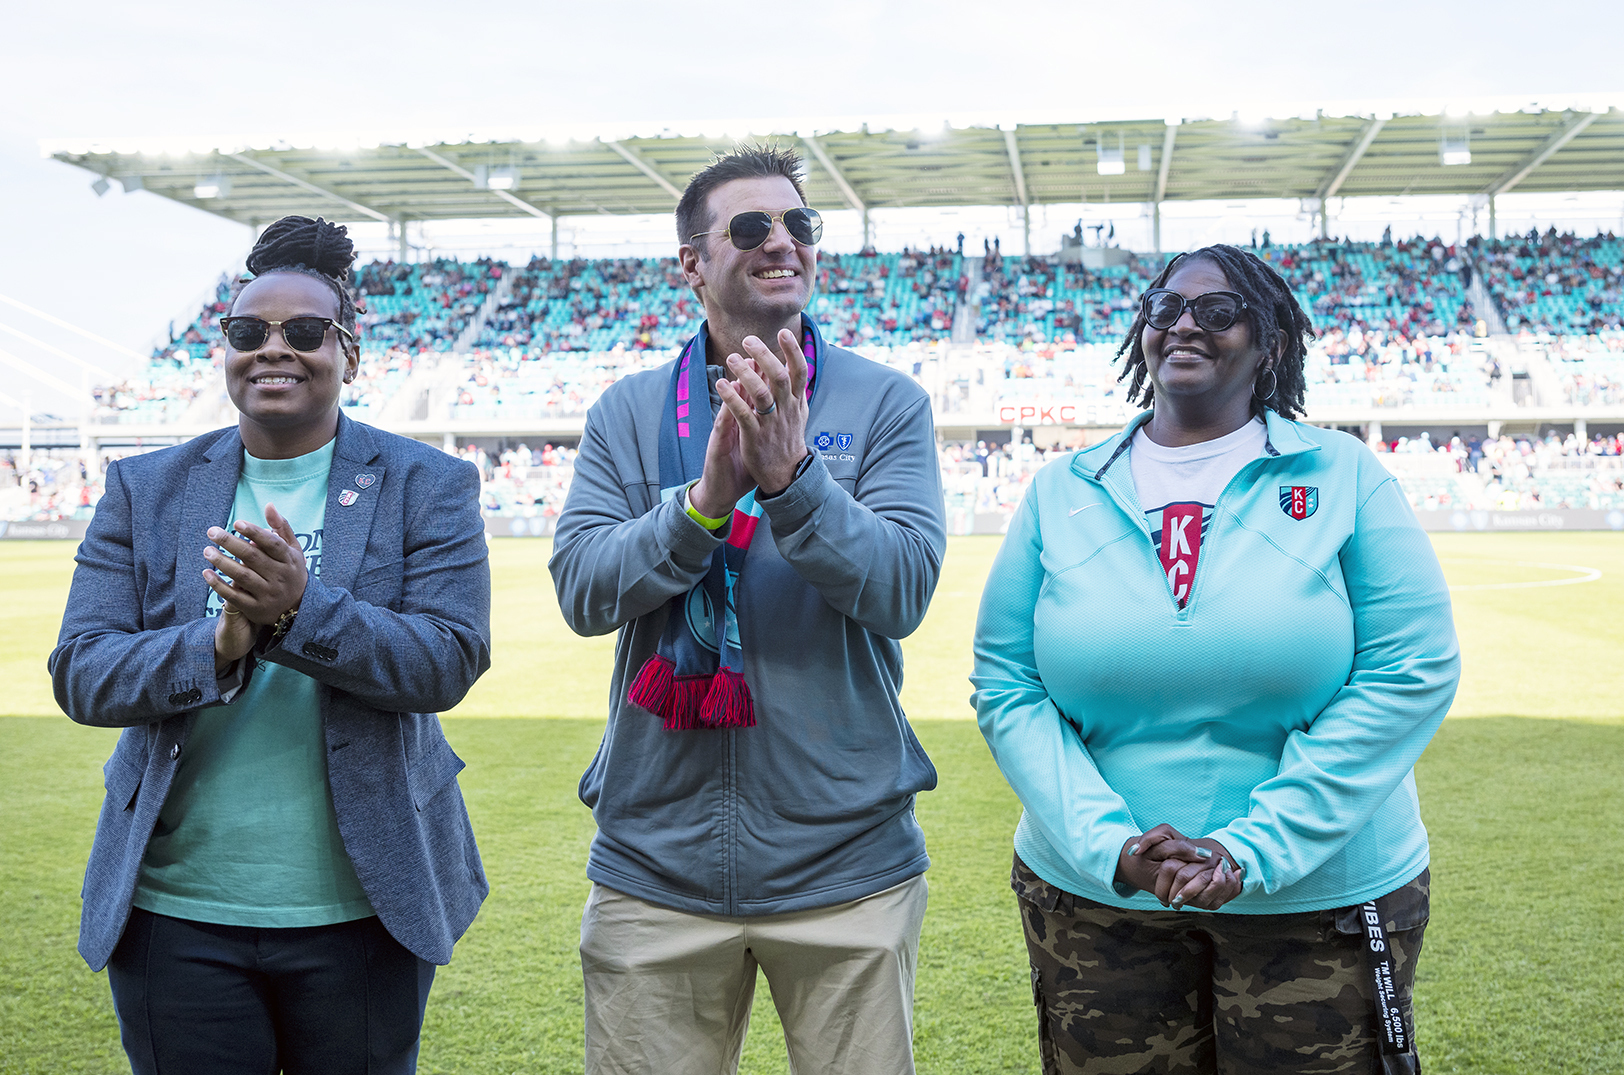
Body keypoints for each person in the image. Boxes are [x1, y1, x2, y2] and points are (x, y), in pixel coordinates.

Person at [972, 244, 1460, 1074]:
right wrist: (1110, 844)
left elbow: (1410, 670)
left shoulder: (1342, 473)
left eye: (1220, 309)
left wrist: (1257, 846)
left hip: (1319, 899)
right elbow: (1007, 683)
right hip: (1099, 898)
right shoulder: (1062, 490)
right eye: (1165, 308)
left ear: (1269, 343)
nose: (1186, 322)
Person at [50, 216, 491, 1075]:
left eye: (304, 331)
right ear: (225, 352)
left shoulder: (428, 483)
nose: (272, 349)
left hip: (364, 908)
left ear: (350, 355)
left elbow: (448, 658)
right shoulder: (146, 488)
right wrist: (216, 645)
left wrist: (299, 613)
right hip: (175, 912)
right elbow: (82, 671)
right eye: (247, 332)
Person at [550, 146, 946, 1075]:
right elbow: (580, 589)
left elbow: (901, 589)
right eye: (750, 226)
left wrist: (795, 480)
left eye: (799, 224)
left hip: (849, 870)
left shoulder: (888, 401)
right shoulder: (629, 409)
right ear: (691, 261)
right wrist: (700, 508)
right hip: (658, 871)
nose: (783, 241)